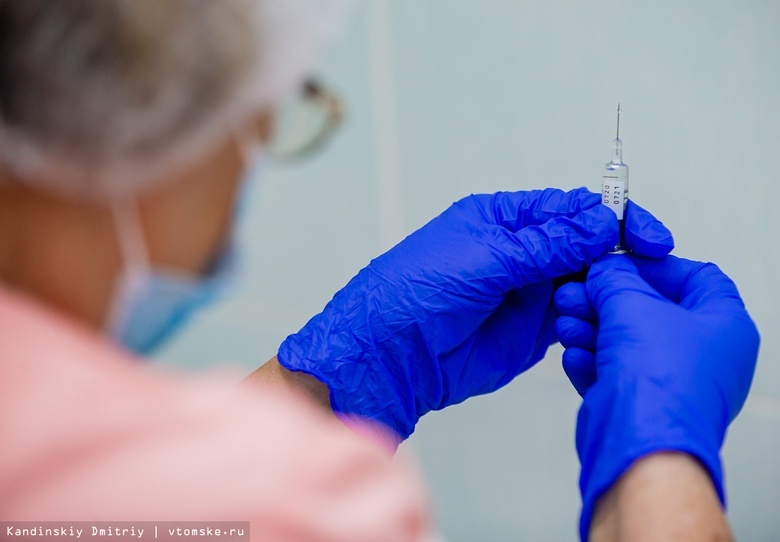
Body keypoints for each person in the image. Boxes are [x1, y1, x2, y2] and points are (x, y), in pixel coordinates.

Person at [0, 1, 759, 541]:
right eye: (268, 115)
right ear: (145, 126)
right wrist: (660, 458)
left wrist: (332, 378)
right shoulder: (299, 507)